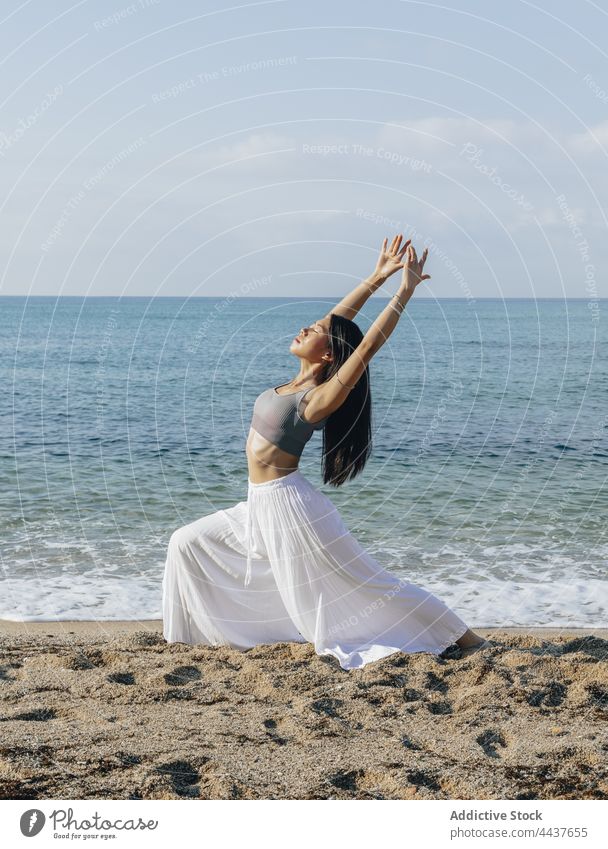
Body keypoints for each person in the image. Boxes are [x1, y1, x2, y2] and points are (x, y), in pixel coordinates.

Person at [162, 235, 493, 669]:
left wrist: (404, 291)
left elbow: (367, 344)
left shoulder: (319, 398)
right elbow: (340, 319)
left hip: (290, 507)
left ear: (329, 353)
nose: (306, 328)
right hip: (257, 504)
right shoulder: (294, 382)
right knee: (186, 543)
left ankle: (467, 639)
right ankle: (193, 640)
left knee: (368, 584)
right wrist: (376, 276)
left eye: (314, 331)